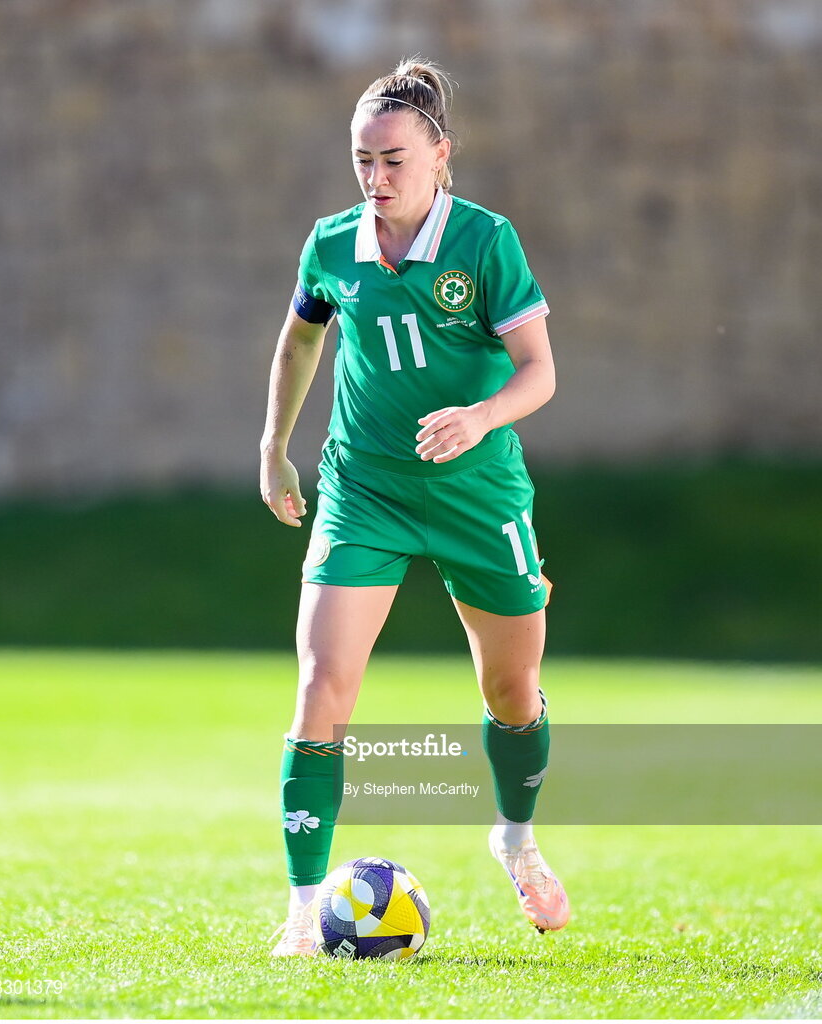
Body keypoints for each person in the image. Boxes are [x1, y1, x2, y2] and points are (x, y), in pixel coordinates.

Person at [260, 57, 569, 956]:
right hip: (364, 490)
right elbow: (298, 341)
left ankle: (514, 835)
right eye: (362, 160)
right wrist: (275, 446)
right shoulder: (331, 243)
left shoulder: (484, 242)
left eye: (394, 159)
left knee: (510, 692)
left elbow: (539, 371)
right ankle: (302, 912)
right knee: (321, 688)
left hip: (479, 493)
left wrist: (481, 417)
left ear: (441, 155)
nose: (376, 178)